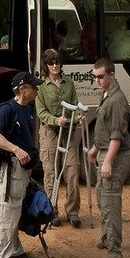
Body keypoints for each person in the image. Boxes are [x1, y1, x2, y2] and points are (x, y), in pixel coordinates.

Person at [0, 71, 44, 258]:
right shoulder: (7, 110)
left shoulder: (28, 109)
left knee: (16, 210)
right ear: (22, 90)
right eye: (34, 87)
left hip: (22, 169)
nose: (37, 90)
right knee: (6, 211)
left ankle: (15, 251)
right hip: (11, 168)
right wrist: (16, 150)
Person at [87, 57, 130, 258]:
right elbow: (106, 129)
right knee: (102, 197)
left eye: (100, 77)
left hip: (115, 156)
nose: (97, 80)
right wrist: (96, 148)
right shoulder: (106, 94)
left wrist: (107, 162)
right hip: (105, 152)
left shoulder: (116, 101)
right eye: (94, 77)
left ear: (112, 75)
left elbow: (117, 136)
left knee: (110, 203)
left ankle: (115, 251)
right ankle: (107, 238)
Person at [36, 49, 83, 228]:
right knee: (50, 172)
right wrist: (56, 120)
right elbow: (41, 113)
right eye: (51, 63)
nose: (55, 65)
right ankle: (52, 211)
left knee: (72, 171)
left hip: (68, 131)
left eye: (57, 62)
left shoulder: (69, 83)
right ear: (46, 66)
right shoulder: (41, 86)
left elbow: (75, 104)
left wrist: (78, 116)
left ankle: (73, 211)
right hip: (49, 131)